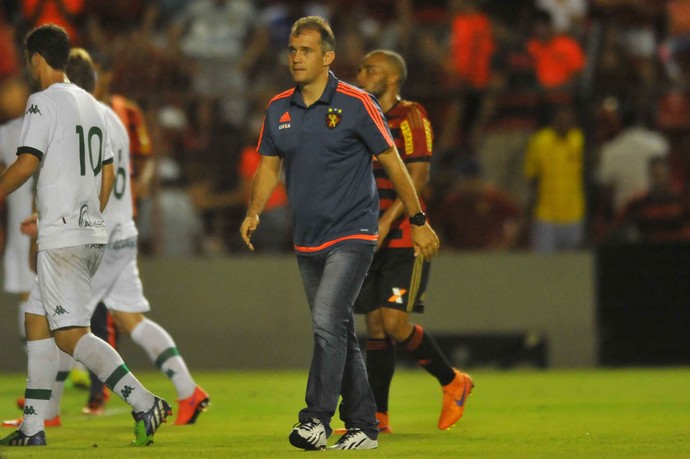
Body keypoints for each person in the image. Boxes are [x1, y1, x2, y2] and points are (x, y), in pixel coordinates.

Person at [240, 16, 440, 451]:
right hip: (307, 237)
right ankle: (364, 425)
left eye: (306, 50)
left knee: (327, 320)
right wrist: (254, 210)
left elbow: (393, 162)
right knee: (341, 330)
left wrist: (418, 219)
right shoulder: (279, 108)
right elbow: (269, 165)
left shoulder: (356, 102)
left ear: (328, 57)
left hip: (354, 232)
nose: (296, 58)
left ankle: (315, 419)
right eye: (293, 50)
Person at [0, 24, 170, 447]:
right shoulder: (94, 107)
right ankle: (32, 427)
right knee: (38, 323)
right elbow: (107, 174)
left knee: (71, 334)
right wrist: (77, 207)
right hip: (88, 229)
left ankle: (144, 400)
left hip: (64, 236)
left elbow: (25, 163)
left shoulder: (43, 102)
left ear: (36, 59)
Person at [347, 49, 473, 434]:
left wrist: (386, 222)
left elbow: (417, 178)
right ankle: (378, 416)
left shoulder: (411, 116)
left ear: (393, 78)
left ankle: (453, 381)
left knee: (395, 322)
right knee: (375, 326)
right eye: (362, 68)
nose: (362, 73)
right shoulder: (360, 115)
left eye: (371, 69)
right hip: (368, 236)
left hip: (403, 236)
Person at [524, 104, 585, 252]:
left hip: (575, 214)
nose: (564, 124)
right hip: (546, 215)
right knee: (544, 266)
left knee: (573, 265)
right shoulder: (540, 141)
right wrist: (531, 208)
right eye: (561, 120)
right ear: (553, 121)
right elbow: (532, 177)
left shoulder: (580, 140)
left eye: (568, 120)